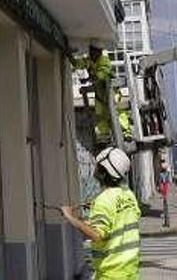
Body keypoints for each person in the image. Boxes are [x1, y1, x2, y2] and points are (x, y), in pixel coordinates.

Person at [60, 147, 141, 280]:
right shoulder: (128, 195)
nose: (95, 168)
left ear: (104, 172)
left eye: (98, 165)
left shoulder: (103, 201)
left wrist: (70, 216)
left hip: (110, 274)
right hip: (130, 271)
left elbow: (95, 234)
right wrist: (101, 209)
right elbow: (124, 217)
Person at [72, 44, 130, 150]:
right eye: (91, 52)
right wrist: (71, 59)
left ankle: (126, 134)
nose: (91, 54)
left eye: (93, 52)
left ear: (99, 52)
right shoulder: (89, 60)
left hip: (111, 92)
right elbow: (79, 64)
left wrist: (88, 79)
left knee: (118, 112)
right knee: (100, 116)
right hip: (99, 93)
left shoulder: (104, 60)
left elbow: (102, 74)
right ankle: (104, 138)